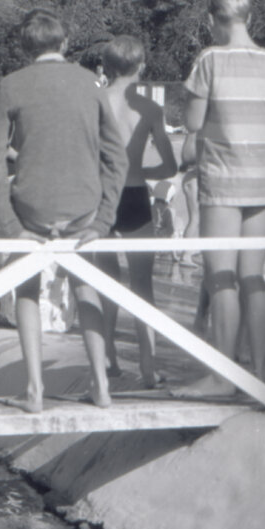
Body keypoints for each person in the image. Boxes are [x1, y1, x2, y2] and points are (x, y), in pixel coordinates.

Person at [0, 8, 128, 413]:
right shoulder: (90, 83)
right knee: (86, 286)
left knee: (27, 287)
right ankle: (100, 383)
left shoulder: (11, 85)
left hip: (31, 206)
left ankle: (34, 389)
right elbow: (117, 158)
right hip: (82, 205)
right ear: (64, 44)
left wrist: (9, 224)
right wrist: (103, 219)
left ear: (25, 48)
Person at [173, 0, 265, 399]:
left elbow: (192, 121)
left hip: (223, 179)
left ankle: (223, 377)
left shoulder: (209, 59)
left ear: (212, 20)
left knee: (221, 276)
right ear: (249, 18)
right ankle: (257, 373)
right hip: (262, 181)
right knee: (253, 277)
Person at [93, 35, 178, 389]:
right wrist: (143, 173)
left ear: (107, 67)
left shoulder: (93, 101)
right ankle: (147, 366)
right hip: (134, 195)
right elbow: (170, 165)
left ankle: (109, 360)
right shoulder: (149, 109)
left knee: (103, 284)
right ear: (141, 66)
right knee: (143, 287)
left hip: (99, 197)